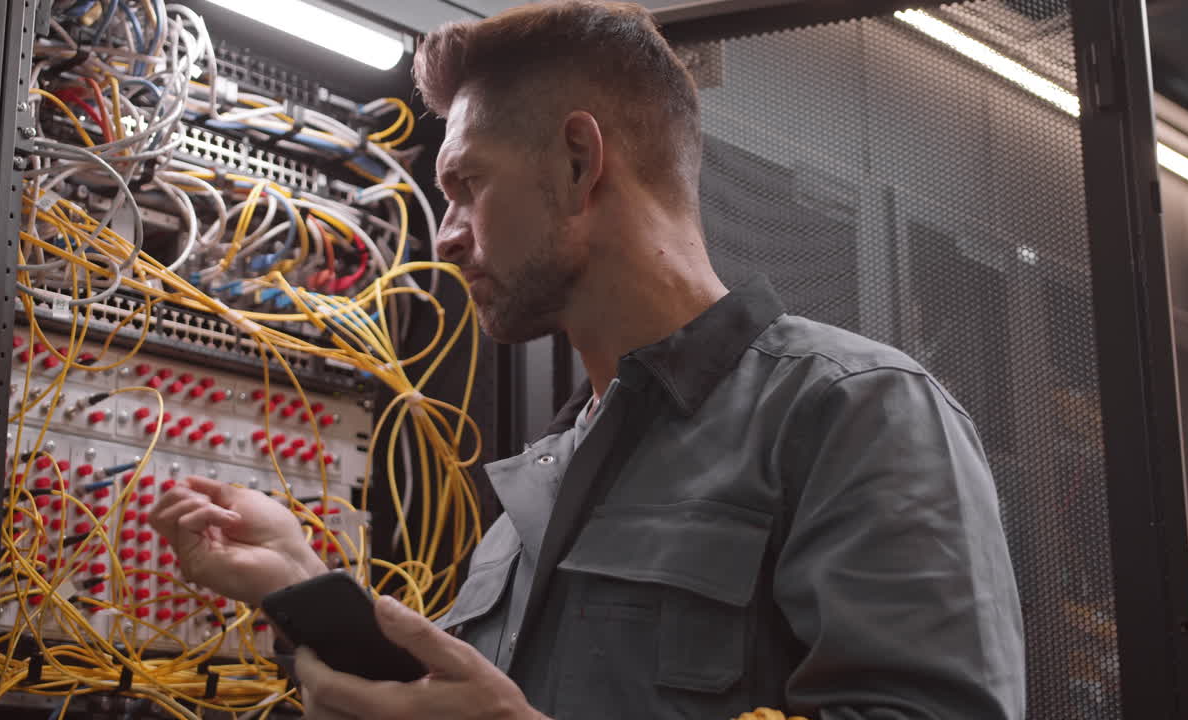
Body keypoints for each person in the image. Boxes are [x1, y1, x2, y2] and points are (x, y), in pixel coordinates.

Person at [150, 1, 1026, 718]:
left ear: (577, 164)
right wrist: (306, 584)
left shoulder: (852, 414)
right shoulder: (552, 477)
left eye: (465, 186)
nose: (445, 236)